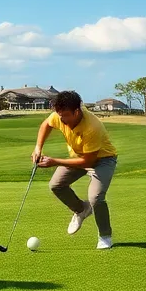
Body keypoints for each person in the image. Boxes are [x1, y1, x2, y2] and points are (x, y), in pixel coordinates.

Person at [34, 90, 120, 250]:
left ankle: (105, 236)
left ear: (77, 111)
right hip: (78, 157)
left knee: (96, 198)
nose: (62, 119)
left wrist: (54, 162)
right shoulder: (59, 116)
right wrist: (38, 148)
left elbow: (88, 161)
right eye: (59, 115)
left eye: (66, 115)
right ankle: (81, 209)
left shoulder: (92, 127)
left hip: (103, 160)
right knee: (56, 185)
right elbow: (46, 124)